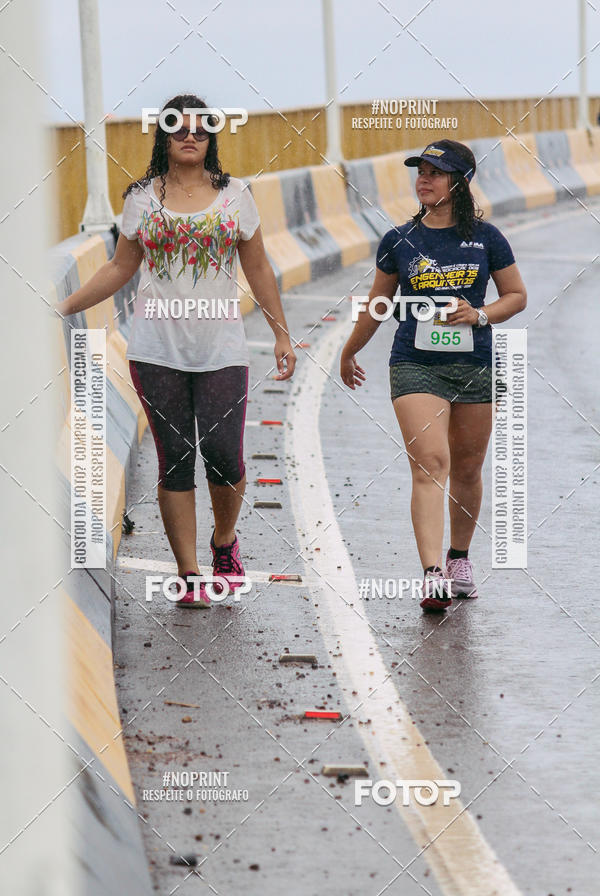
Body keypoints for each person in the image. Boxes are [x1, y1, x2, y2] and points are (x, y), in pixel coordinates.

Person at [57, 93, 296, 608]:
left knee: (223, 456)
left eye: (201, 130)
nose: (191, 136)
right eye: (179, 129)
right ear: (163, 137)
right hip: (155, 351)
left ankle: (225, 543)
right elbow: (121, 268)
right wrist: (62, 305)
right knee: (177, 458)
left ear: (211, 140)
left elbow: (258, 269)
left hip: (222, 351)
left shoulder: (236, 195)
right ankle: (189, 576)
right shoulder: (142, 198)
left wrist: (281, 334)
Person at [340, 139, 526, 611]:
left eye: (435, 172)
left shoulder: (487, 239)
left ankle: (459, 559)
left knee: (466, 469)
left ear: (460, 182)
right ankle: (432, 575)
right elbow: (378, 305)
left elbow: (516, 296)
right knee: (430, 464)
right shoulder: (399, 240)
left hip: (476, 366)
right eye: (420, 171)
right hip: (415, 364)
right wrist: (349, 350)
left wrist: (479, 315)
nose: (423, 179)